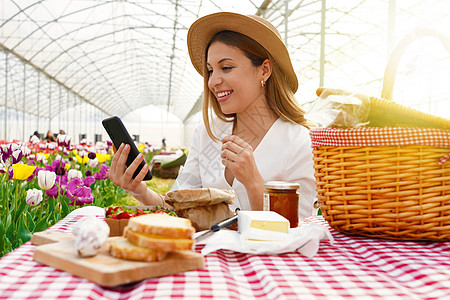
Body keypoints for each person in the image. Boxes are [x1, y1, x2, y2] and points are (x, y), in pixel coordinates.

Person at [109, 12, 317, 218]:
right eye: (210, 70)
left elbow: (298, 227)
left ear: (264, 70)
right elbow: (177, 207)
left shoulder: (299, 141)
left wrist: (253, 182)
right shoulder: (208, 134)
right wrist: (139, 190)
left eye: (226, 67)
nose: (212, 81)